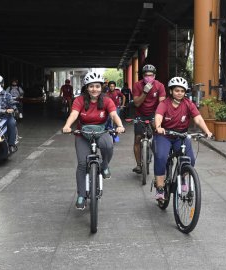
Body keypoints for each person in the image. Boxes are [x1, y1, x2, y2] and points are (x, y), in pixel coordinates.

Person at [62, 72, 125, 210]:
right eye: (91, 86)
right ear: (86, 87)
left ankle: (105, 165)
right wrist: (67, 126)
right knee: (82, 164)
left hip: (101, 131)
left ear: (101, 87)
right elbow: (74, 114)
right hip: (83, 134)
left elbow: (114, 114)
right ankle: (81, 195)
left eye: (97, 86)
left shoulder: (107, 100)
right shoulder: (79, 100)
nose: (94, 89)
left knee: (108, 146)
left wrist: (120, 125)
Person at [153, 77, 213, 200]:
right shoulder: (164, 104)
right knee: (161, 157)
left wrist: (206, 131)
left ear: (185, 92)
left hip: (181, 135)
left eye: (182, 91)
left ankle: (183, 176)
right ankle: (160, 187)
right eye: (176, 90)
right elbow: (158, 116)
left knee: (190, 159)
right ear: (171, 91)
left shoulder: (188, 104)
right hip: (165, 135)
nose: (179, 93)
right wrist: (158, 127)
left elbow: (198, 118)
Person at [132, 64, 166, 174]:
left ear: (154, 76)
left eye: (151, 75)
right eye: (146, 75)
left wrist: (158, 118)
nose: (148, 77)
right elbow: (137, 103)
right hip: (140, 114)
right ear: (143, 76)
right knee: (137, 138)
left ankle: (158, 155)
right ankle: (138, 164)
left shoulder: (160, 86)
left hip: (154, 113)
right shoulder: (137, 85)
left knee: (158, 133)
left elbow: (162, 104)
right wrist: (145, 92)